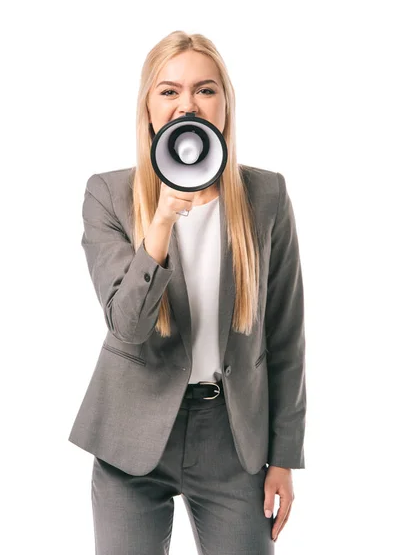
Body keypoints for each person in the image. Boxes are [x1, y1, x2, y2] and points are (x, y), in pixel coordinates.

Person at [68, 30, 307, 554]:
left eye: (205, 90)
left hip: (231, 437)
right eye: (169, 91)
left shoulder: (266, 195)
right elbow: (127, 325)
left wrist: (285, 457)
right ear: (148, 110)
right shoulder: (107, 195)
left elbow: (287, 334)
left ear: (224, 106)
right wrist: (161, 221)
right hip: (130, 438)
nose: (187, 105)